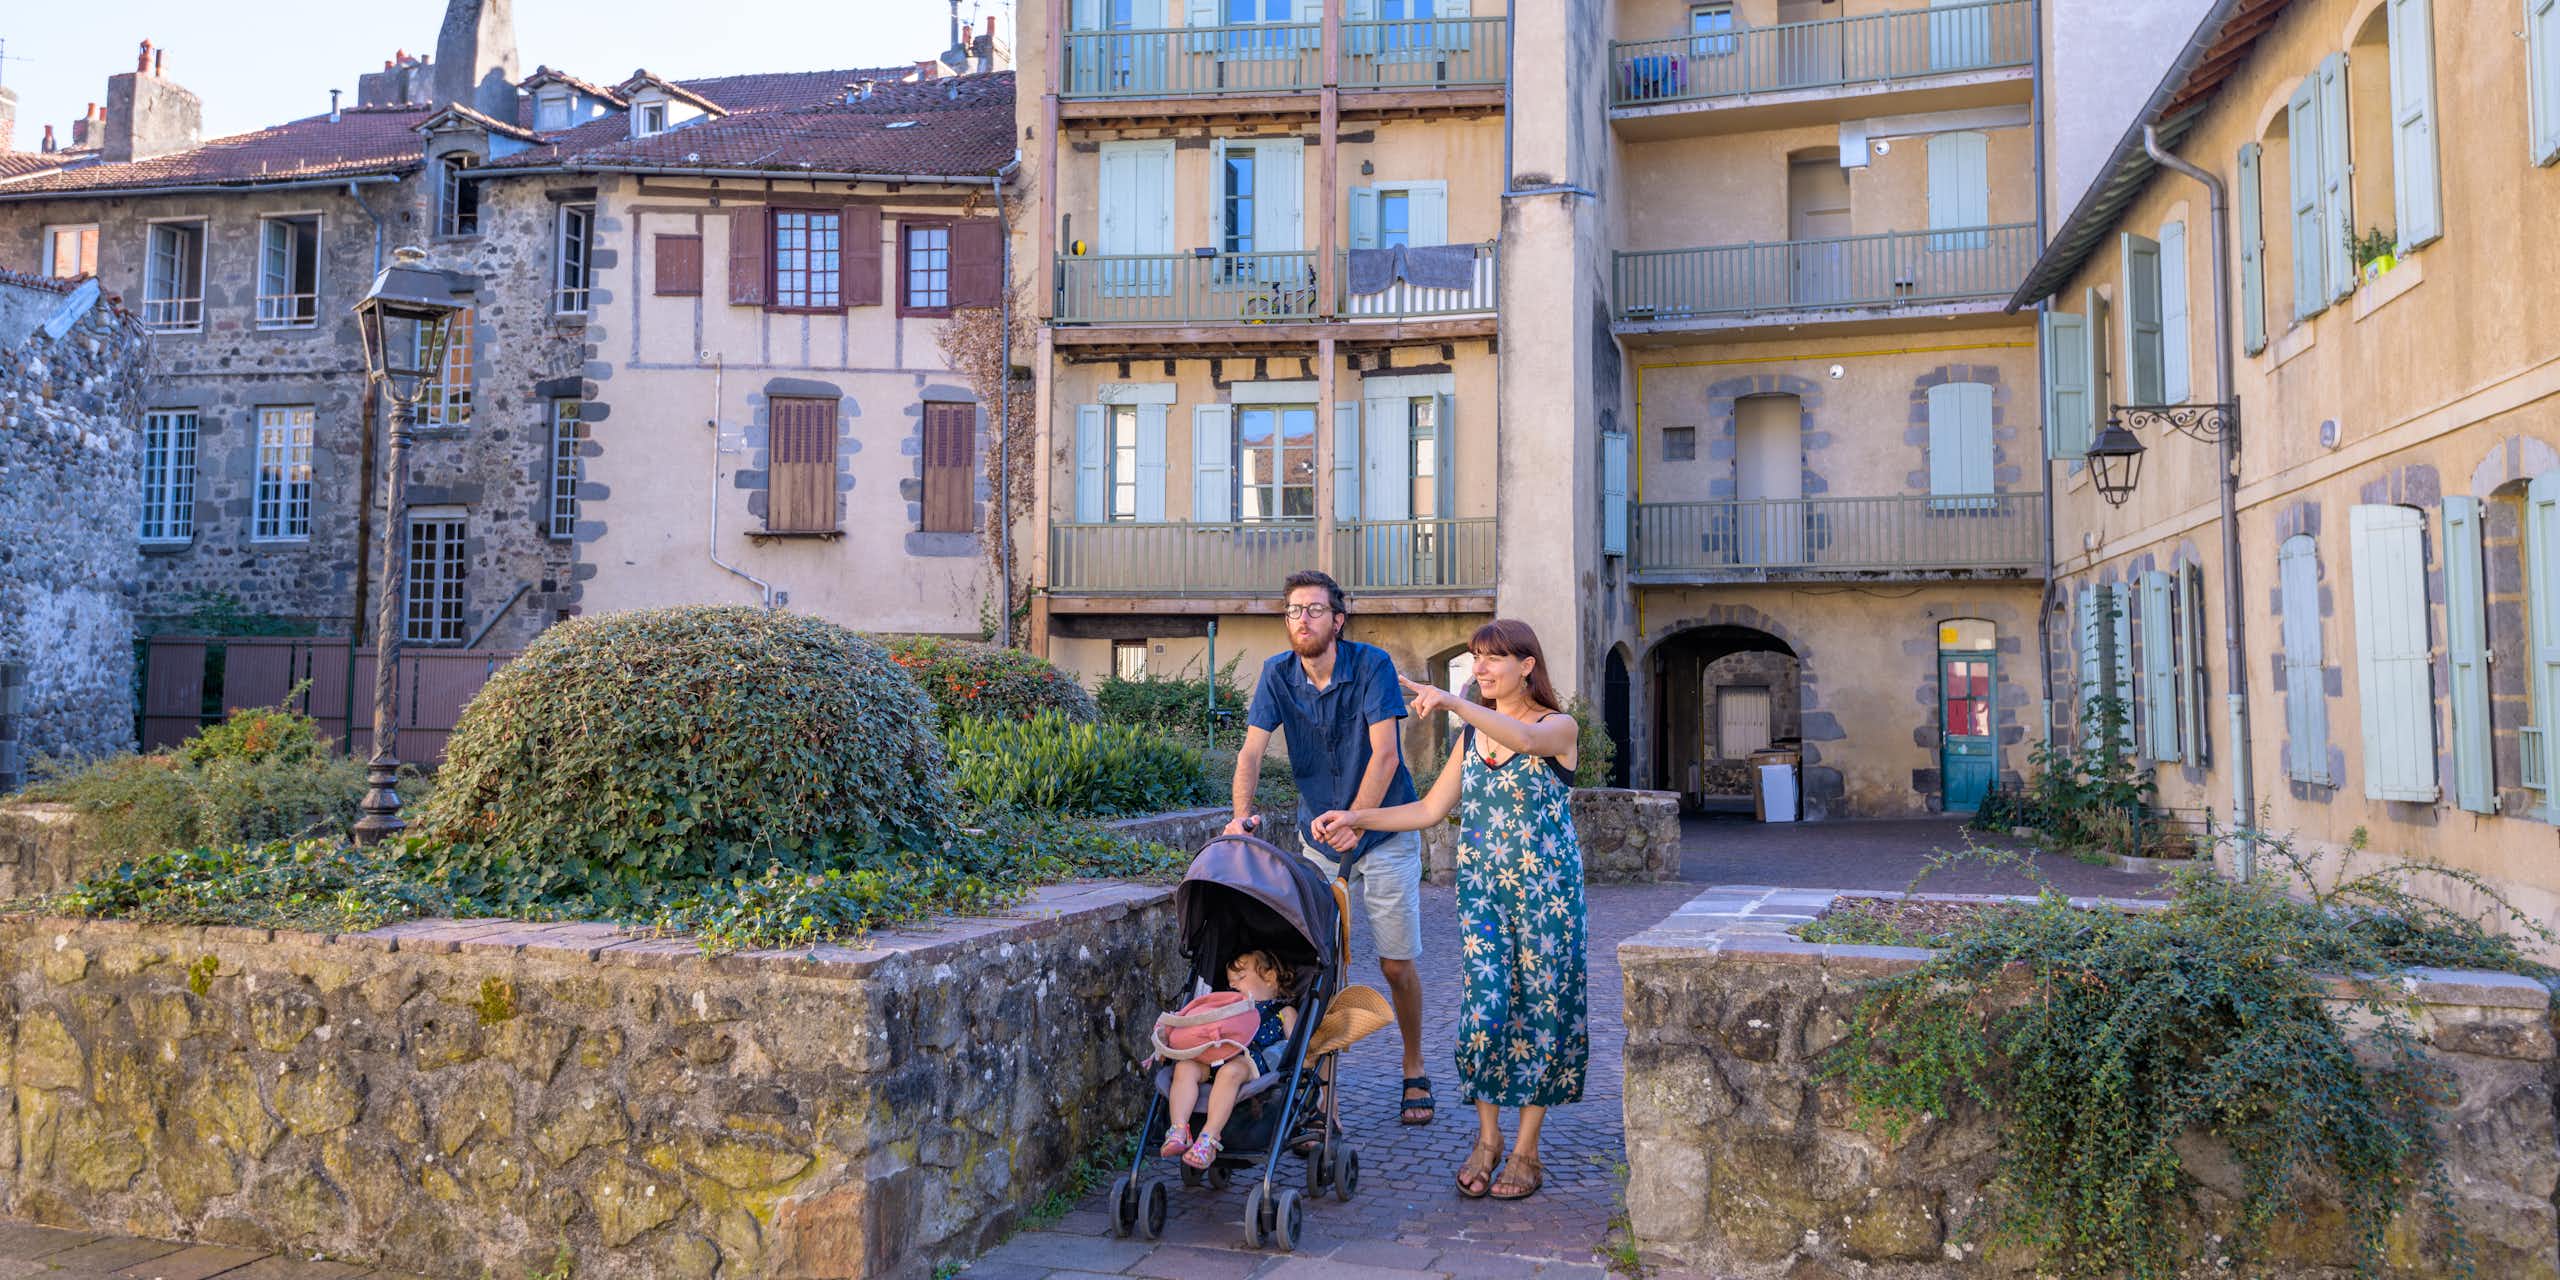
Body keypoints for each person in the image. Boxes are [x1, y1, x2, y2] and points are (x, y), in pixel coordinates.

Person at [1311, 618, 1588, 1201]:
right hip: (1482, 895)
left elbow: (1526, 742)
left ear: (1527, 666)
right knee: (1484, 1015)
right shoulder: (1471, 740)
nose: (1480, 669)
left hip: (1547, 899)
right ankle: (1487, 1139)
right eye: (1475, 659)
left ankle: (1526, 1150)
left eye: (1493, 658)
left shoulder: (1557, 727)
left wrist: (1456, 704)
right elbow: (1427, 811)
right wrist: (1357, 817)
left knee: (1542, 1014)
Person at [1226, 570, 1437, 1127]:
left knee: (1395, 963)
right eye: (1294, 610)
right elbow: (1251, 753)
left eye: (1315, 610)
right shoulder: (1276, 674)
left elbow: (1386, 755)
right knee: (1314, 965)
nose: (1303, 619)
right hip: (1318, 836)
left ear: (1338, 620)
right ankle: (1320, 1090)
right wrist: (1240, 815)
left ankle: (1414, 1063)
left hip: (1384, 830)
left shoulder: (1371, 666)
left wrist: (1358, 821)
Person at [1159, 950, 1297, 1170]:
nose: (1233, 986)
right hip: (1213, 1054)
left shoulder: (1283, 1011)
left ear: (1270, 978)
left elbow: (1295, 1047)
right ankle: (1179, 1129)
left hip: (1249, 1060)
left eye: (1241, 978)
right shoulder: (1227, 1006)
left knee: (1229, 1072)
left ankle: (1209, 1137)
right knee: (1184, 1067)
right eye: (1230, 983)